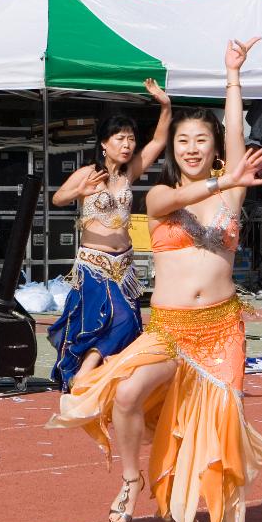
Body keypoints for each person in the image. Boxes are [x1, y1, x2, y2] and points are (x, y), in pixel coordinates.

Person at [47, 38, 262, 522]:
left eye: (202, 141)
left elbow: (234, 130)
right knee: (126, 393)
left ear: (215, 149)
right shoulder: (160, 194)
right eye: (183, 141)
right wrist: (221, 183)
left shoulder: (232, 185)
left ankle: (191, 508)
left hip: (219, 332)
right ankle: (132, 478)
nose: (191, 148)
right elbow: (185, 194)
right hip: (170, 329)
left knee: (209, 429)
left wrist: (232, 76)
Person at [48, 81, 172, 392]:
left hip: (125, 265)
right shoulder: (89, 173)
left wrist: (166, 106)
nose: (127, 145)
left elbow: (158, 140)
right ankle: (85, 372)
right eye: (120, 138)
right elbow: (57, 199)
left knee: (128, 322)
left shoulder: (128, 174)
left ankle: (102, 375)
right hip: (95, 264)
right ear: (104, 143)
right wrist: (81, 191)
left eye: (131, 139)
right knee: (116, 319)